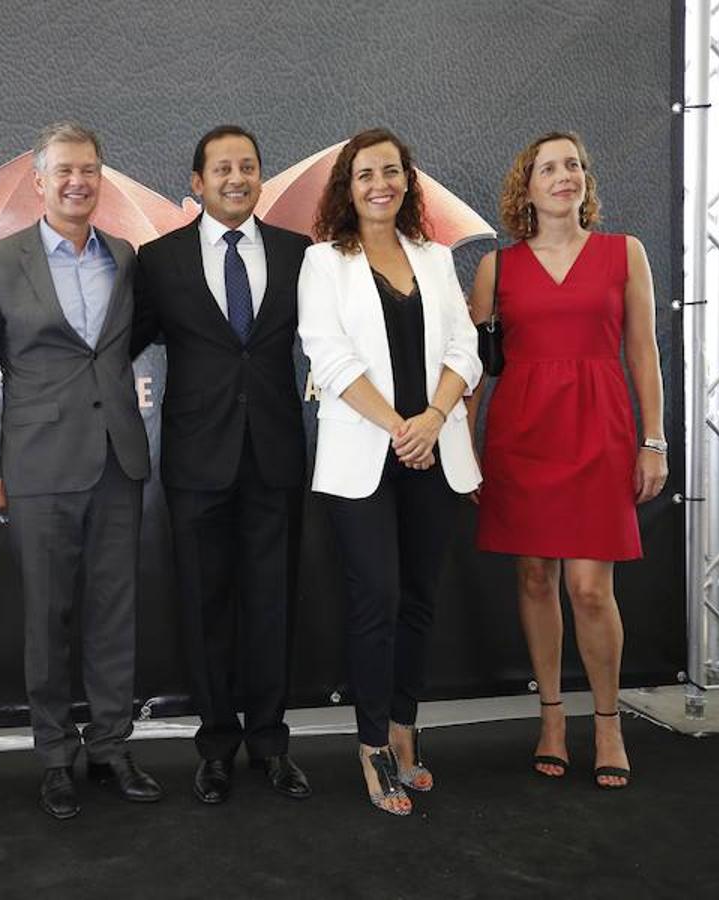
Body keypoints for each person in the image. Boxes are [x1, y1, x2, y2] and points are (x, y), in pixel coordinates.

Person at [0, 121, 162, 819]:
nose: (79, 181)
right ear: (39, 182)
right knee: (46, 617)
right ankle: (53, 755)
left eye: (90, 170)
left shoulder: (126, 257)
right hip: (36, 467)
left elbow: (119, 348)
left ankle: (109, 744)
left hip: (118, 460)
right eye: (65, 171)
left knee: (114, 613)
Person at [470, 131, 666, 790]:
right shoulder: (498, 267)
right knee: (534, 579)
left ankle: (606, 721)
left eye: (575, 164)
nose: (565, 175)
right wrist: (464, 448)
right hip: (522, 433)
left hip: (599, 430)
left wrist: (654, 438)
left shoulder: (624, 253)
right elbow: (471, 367)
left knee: (589, 588)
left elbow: (642, 351)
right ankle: (552, 715)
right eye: (549, 167)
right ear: (526, 187)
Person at [297, 128, 482, 816]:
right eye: (367, 173)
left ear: (408, 181)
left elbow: (466, 347)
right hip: (364, 457)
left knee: (418, 602)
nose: (382, 183)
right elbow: (330, 357)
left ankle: (406, 728)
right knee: (375, 599)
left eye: (393, 172)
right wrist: (401, 428)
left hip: (435, 451)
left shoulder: (434, 259)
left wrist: (433, 418)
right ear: (348, 186)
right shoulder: (323, 263)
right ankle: (371, 743)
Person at [131, 125, 312, 805]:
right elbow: (118, 344)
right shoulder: (160, 261)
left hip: (275, 456)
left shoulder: (301, 255)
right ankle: (215, 745)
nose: (237, 176)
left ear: (260, 177)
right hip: (195, 461)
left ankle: (270, 743)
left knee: (273, 604)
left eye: (248, 166)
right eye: (222, 168)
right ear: (197, 183)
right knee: (203, 608)